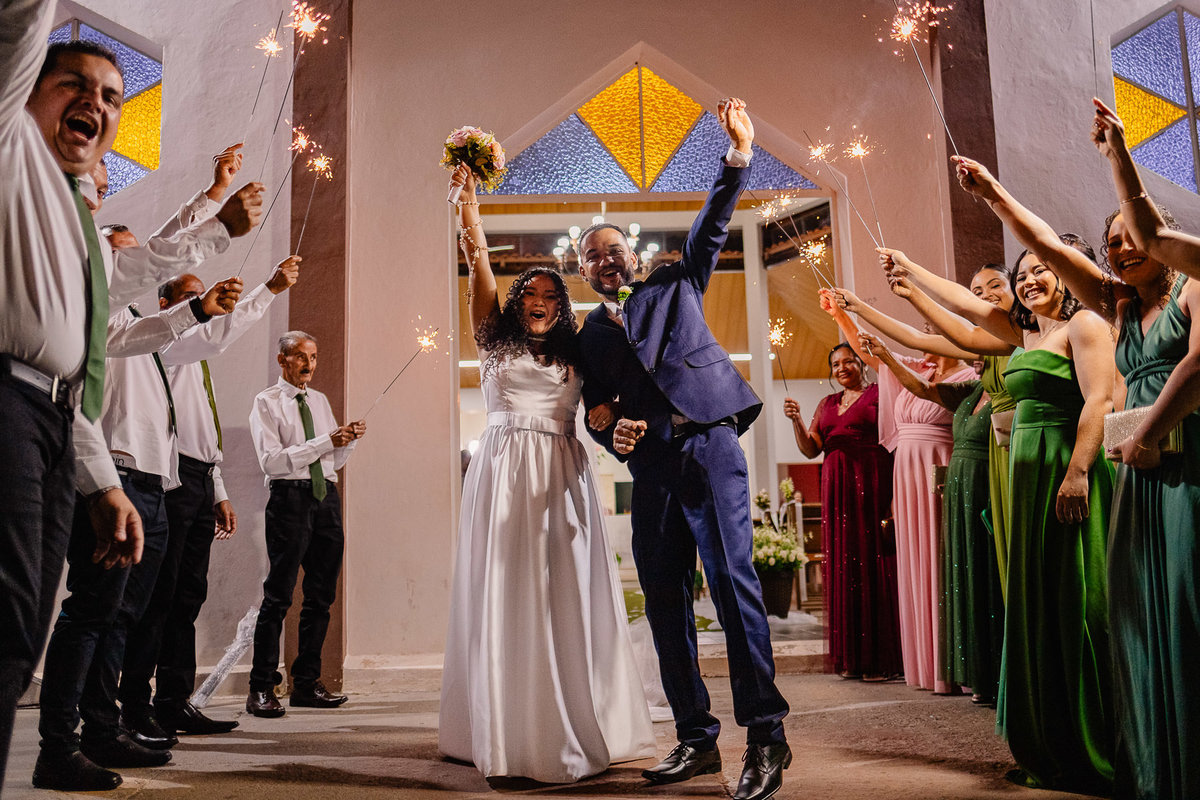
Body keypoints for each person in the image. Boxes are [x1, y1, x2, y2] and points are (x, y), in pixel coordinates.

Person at [0, 4, 260, 787]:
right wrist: (213, 221)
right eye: (75, 84)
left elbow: (78, 366)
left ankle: (86, 735)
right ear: (27, 94)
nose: (98, 102)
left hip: (60, 423)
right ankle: (74, 737)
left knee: (25, 628)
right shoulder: (13, 161)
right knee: (20, 617)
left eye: (113, 95)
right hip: (13, 407)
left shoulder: (76, 237)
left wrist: (100, 485)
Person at [577, 98, 791, 800]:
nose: (605, 260)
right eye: (591, 256)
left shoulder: (675, 282)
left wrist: (737, 156)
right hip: (653, 469)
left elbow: (712, 226)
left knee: (731, 584)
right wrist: (612, 433)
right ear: (583, 272)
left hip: (709, 444)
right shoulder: (590, 336)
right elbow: (595, 408)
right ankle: (696, 738)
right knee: (664, 602)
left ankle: (766, 736)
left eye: (613, 249)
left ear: (632, 256)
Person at [437, 165, 654, 783]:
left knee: (562, 590)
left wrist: (614, 417)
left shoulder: (577, 351)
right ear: (517, 302)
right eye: (531, 294)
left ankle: (575, 719)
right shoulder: (492, 340)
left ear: (562, 307)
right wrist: (469, 204)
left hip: (561, 473)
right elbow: (477, 261)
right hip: (502, 473)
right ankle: (505, 731)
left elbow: (613, 389)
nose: (540, 302)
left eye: (552, 297)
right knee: (506, 587)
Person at [1090, 99, 1200, 800]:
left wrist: (1118, 154)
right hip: (1146, 463)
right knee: (1142, 608)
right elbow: (1055, 255)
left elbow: (1198, 364)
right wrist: (995, 197)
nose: (1127, 247)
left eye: (1131, 237)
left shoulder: (1194, 284)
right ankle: (1161, 764)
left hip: (1185, 459)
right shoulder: (1127, 306)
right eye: (1115, 242)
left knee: (1187, 606)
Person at [820, 289, 974, 694]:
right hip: (904, 473)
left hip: (938, 466)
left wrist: (885, 352)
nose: (924, 333)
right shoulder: (917, 365)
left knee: (940, 560)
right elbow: (866, 350)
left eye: (933, 327)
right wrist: (840, 315)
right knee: (912, 563)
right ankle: (922, 663)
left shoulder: (969, 376)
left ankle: (952, 664)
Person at [245, 331, 365, 718]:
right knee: (279, 595)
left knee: (321, 595)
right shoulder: (267, 402)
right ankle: (261, 686)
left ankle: (307, 683)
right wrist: (326, 441)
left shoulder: (319, 401)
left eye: (313, 357)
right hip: (290, 499)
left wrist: (347, 441)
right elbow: (273, 462)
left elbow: (332, 462)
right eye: (300, 356)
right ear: (282, 359)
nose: (308, 364)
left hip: (325, 496)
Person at [783, 344, 900, 682]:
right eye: (836, 364)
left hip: (872, 486)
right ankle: (851, 657)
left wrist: (894, 498)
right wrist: (797, 420)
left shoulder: (880, 395)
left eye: (849, 361)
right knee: (844, 569)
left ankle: (878, 659)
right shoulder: (827, 404)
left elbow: (895, 444)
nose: (842, 367)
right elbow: (810, 449)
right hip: (837, 494)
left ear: (863, 364)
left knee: (873, 565)